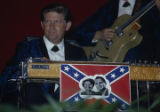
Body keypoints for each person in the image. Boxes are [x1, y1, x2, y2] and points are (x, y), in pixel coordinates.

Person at [0, 3, 87, 108]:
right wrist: (31, 69)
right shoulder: (26, 48)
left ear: (67, 26)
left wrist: (56, 70)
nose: (51, 27)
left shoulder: (78, 53)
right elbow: (6, 80)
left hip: (68, 107)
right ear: (42, 25)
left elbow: (86, 84)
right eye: (48, 21)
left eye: (57, 22)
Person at [68, 0, 160, 63]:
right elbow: (76, 34)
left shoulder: (152, 6)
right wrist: (99, 35)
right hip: (110, 69)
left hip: (143, 69)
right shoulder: (108, 8)